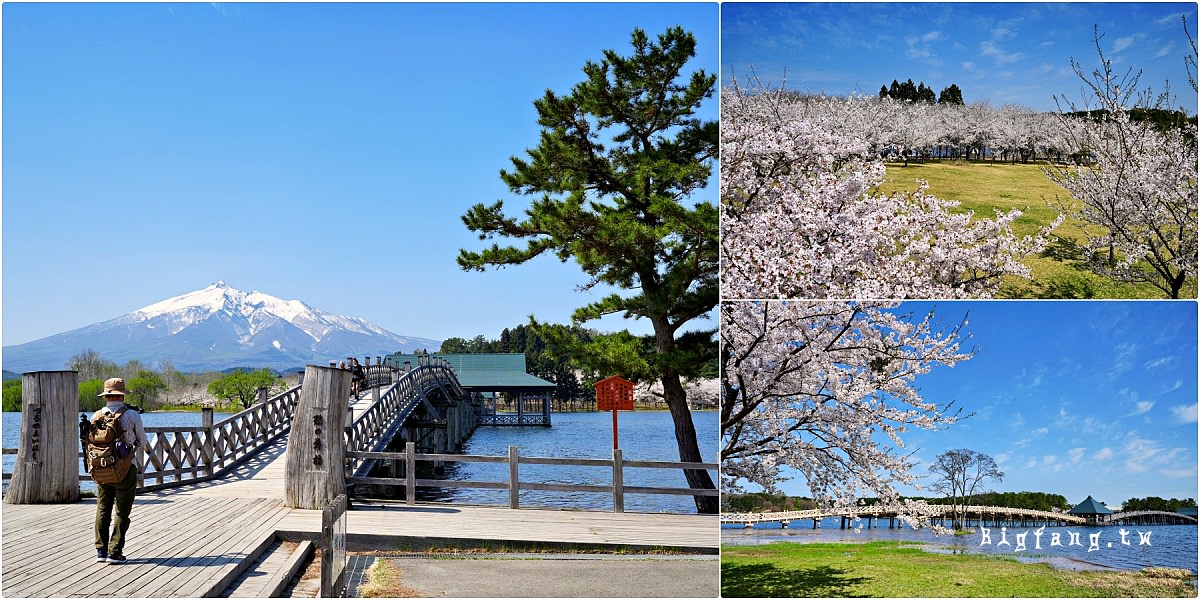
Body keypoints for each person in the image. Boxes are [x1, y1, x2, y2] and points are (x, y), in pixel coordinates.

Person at [92, 378, 148, 564]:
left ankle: (100, 551)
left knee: (103, 508)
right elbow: (142, 441)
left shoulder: (96, 416)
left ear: (106, 396)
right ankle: (115, 552)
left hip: (101, 469)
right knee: (122, 512)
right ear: (122, 394)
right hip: (125, 468)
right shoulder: (131, 415)